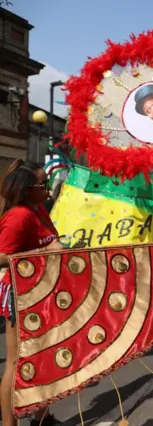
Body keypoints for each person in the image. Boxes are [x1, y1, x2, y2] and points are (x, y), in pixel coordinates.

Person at [0, 160, 64, 426]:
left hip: (42, 292)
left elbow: (53, 241)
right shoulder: (19, 216)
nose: (48, 191)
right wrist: (42, 253)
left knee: (45, 357)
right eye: (42, 185)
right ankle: (8, 423)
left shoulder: (39, 210)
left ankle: (42, 417)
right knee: (16, 364)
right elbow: (2, 256)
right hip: (20, 295)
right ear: (27, 189)